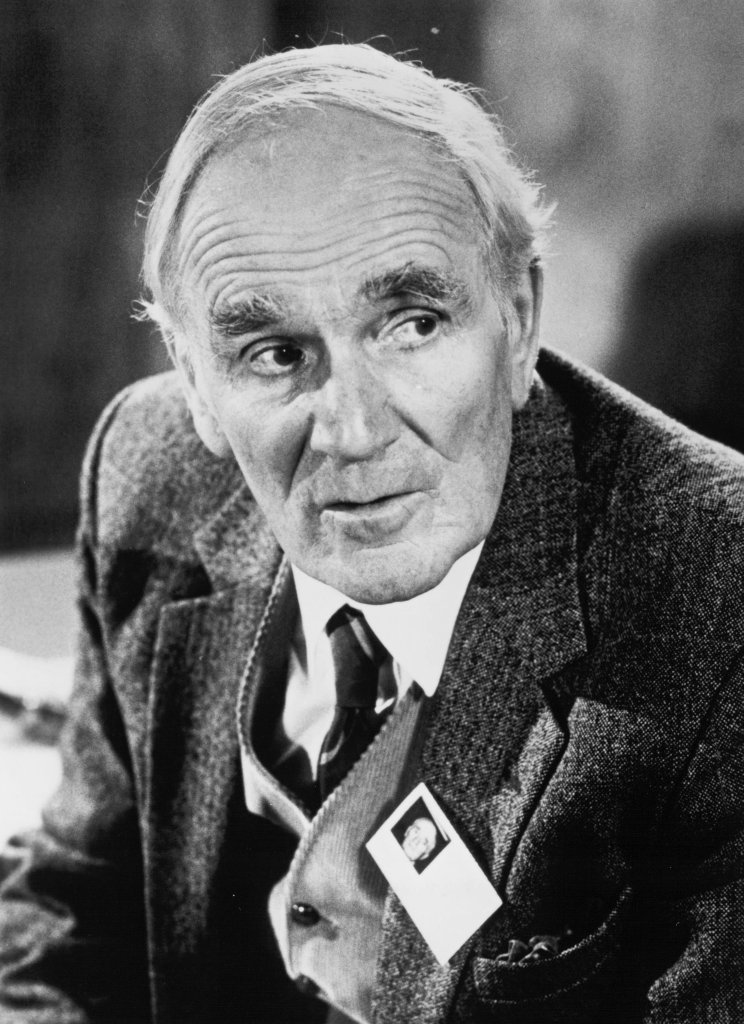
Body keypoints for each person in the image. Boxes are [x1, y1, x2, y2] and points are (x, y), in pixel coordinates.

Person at [1, 43, 743, 1024]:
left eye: (414, 323)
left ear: (520, 321)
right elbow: (73, 906)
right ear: (196, 389)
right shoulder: (148, 472)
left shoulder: (718, 595)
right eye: (274, 353)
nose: (352, 431)